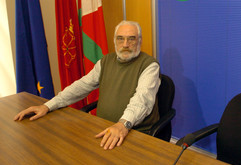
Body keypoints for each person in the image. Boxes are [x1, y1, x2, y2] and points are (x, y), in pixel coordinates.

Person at [14, 20, 161, 150]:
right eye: (120, 38)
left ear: (139, 41)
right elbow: (81, 86)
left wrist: (123, 124)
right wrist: (48, 105)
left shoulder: (149, 66)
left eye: (131, 39)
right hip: (105, 128)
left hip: (135, 132)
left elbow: (142, 100)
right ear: (114, 40)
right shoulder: (106, 61)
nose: (125, 44)